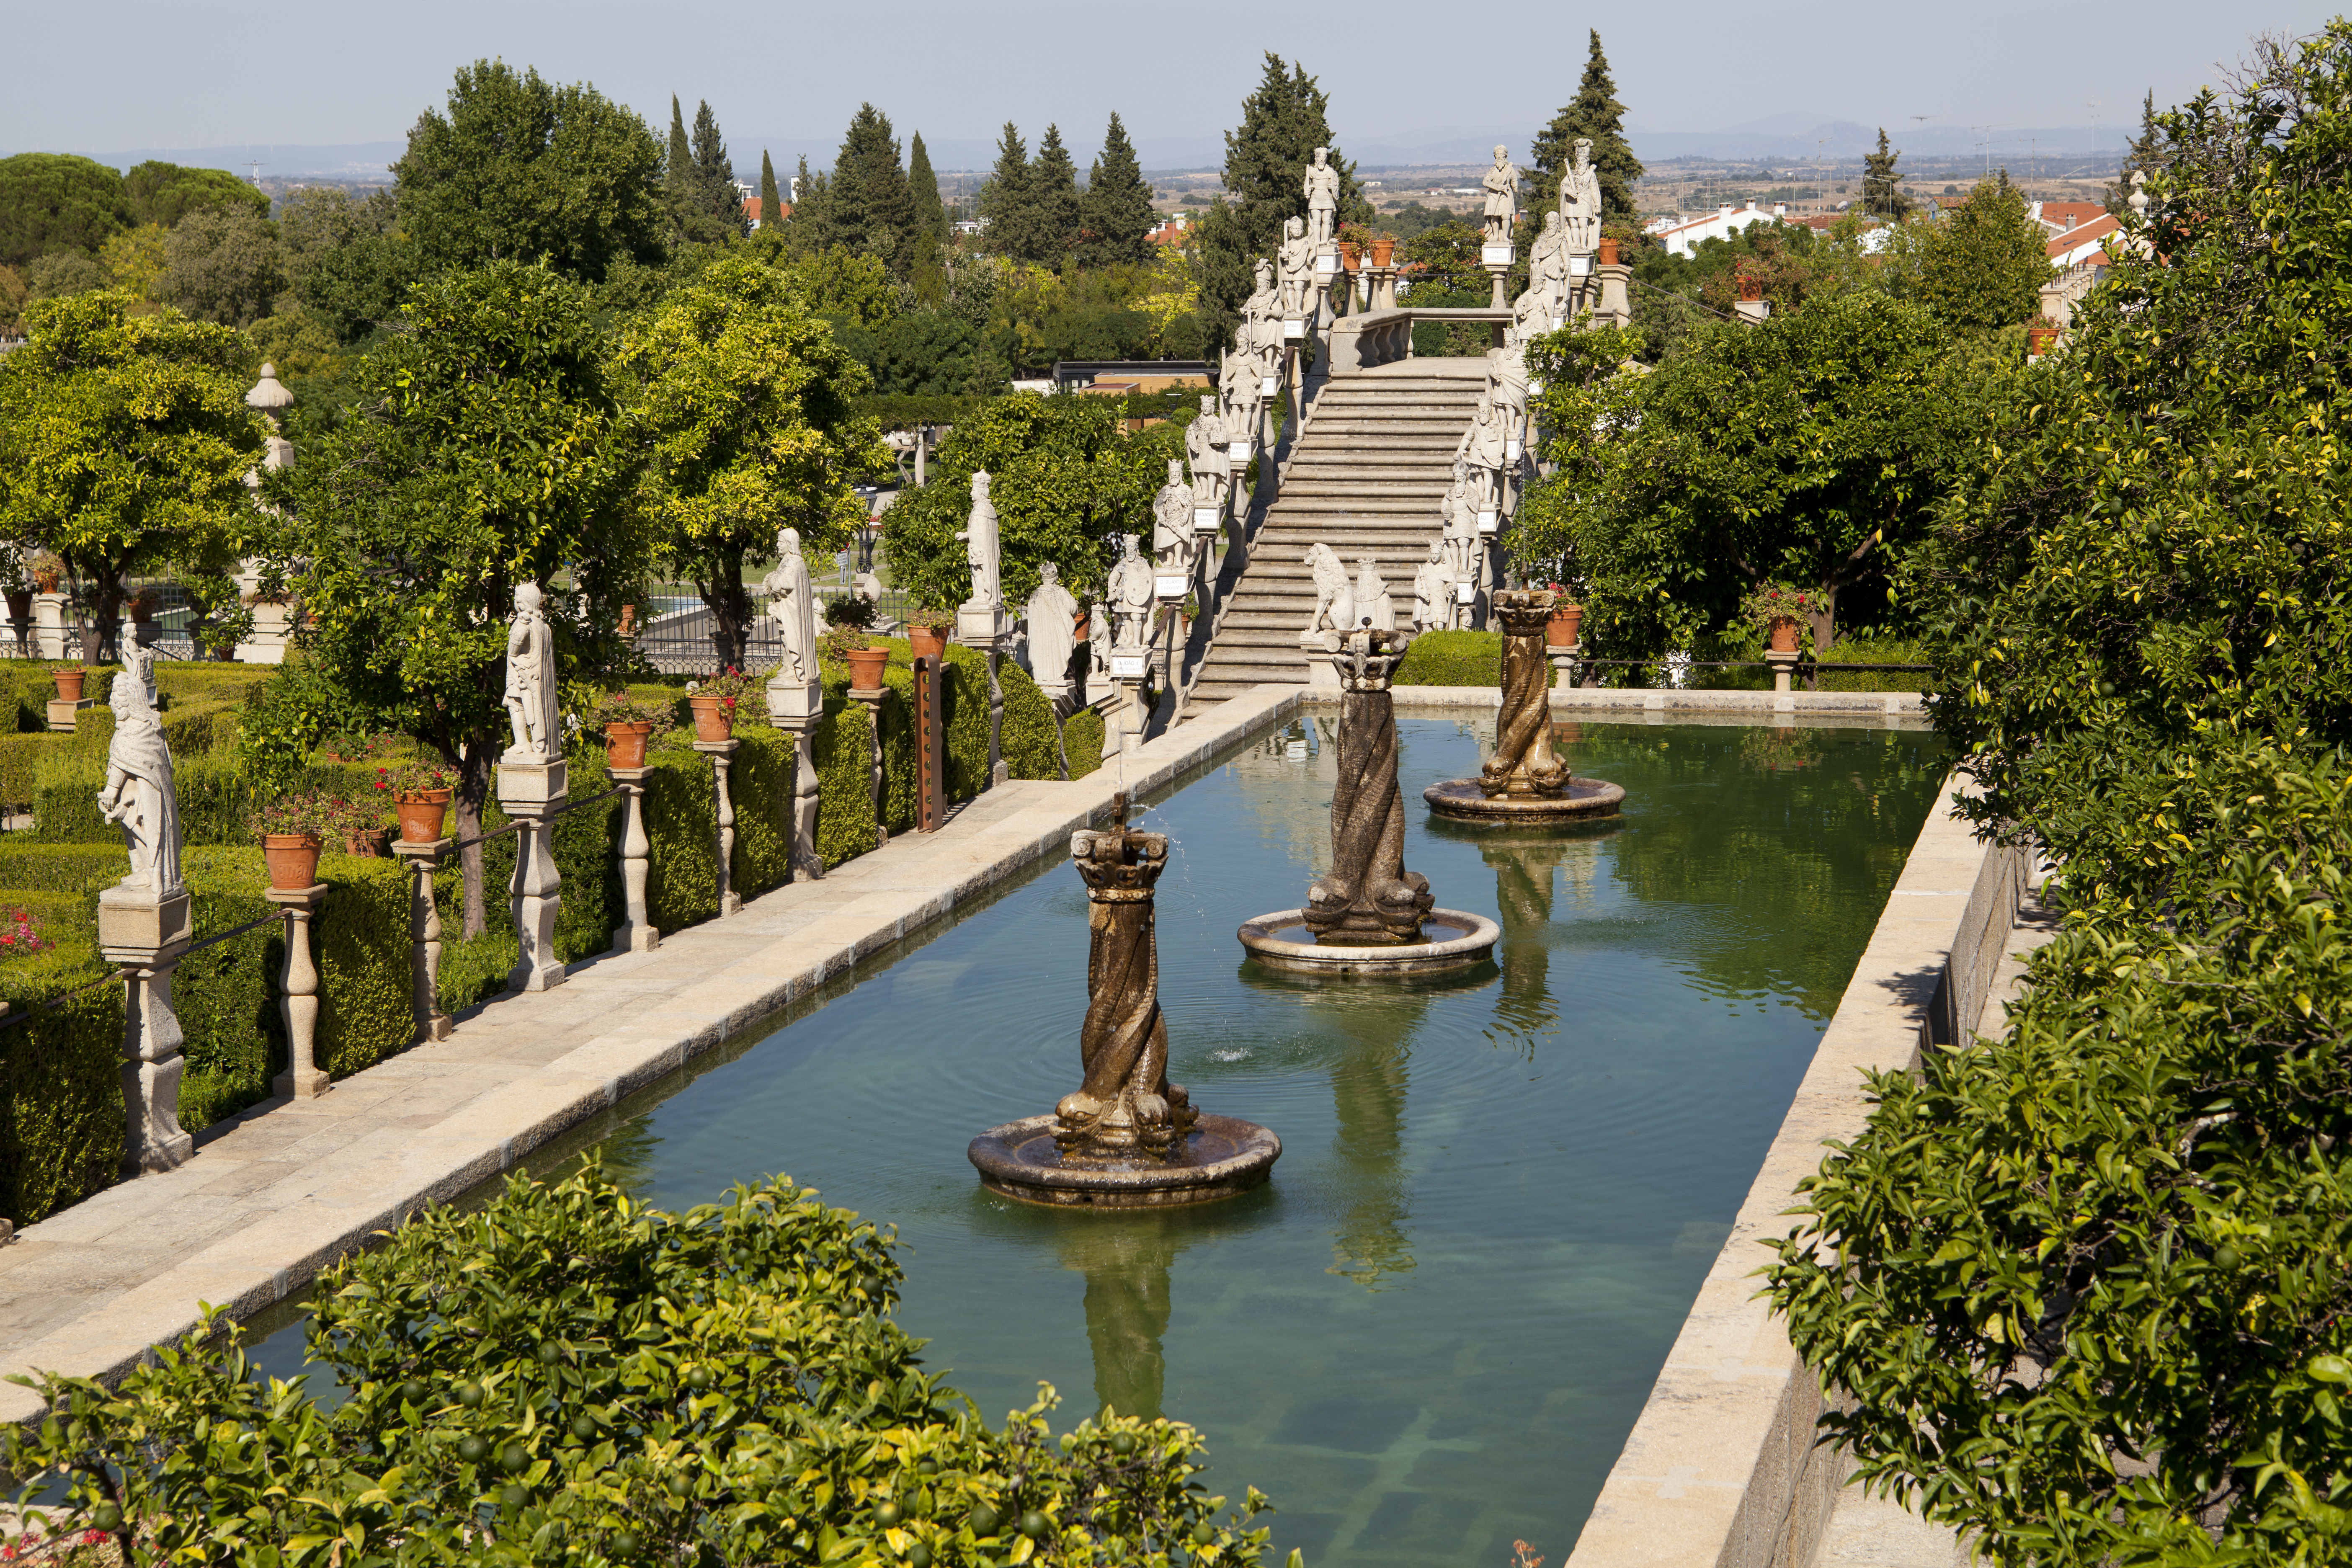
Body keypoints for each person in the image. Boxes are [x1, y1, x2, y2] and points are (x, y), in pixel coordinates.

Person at [97, 667, 181, 893]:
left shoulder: (136, 729)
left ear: (128, 702)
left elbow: (122, 762)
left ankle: (154, 871)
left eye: (116, 701)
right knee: (134, 829)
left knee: (143, 829)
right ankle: (145, 871)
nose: (112, 706)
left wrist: (110, 791)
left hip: (147, 795)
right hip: (138, 793)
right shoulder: (146, 726)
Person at [503, 581, 559, 761]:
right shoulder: (544, 626)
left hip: (521, 673)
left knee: (515, 704)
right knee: (531, 707)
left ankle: (522, 743)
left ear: (520, 602)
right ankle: (536, 743)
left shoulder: (523, 623)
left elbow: (513, 651)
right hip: (536, 676)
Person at [760, 526, 818, 687]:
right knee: (786, 638)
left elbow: (784, 584)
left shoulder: (794, 561)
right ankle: (790, 666)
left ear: (790, 543)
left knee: (791, 639)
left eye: (781, 542)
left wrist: (773, 581)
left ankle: (796, 668)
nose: (778, 545)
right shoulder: (787, 561)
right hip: (784, 609)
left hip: (792, 612)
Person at [957, 471, 1002, 612]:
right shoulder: (982, 508)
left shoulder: (984, 509)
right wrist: (965, 535)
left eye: (973, 490)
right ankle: (979, 595)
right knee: (976, 572)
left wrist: (980, 552)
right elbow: (977, 530)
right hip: (976, 549)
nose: (971, 493)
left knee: (979, 572)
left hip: (981, 551)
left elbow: (984, 534)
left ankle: (982, 596)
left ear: (982, 493)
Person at [1482, 145, 1520, 243]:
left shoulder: (1510, 170)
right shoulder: (1492, 170)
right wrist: (1498, 187)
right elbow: (1485, 182)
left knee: (1506, 216)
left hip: (1506, 195)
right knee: (1495, 216)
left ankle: (1505, 237)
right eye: (1497, 155)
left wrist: (1514, 187)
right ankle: (1495, 236)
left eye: (1501, 154)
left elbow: (1515, 184)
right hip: (1494, 196)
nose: (1499, 157)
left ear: (1505, 156)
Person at [1303, 147, 1341, 245]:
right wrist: (1307, 190)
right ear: (1316, 159)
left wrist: (1332, 187)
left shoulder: (1330, 172)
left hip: (1327, 199)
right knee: (1316, 221)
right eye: (1319, 157)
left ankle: (1326, 241)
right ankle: (1316, 242)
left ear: (1326, 159)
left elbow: (1336, 185)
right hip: (1315, 199)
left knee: (1326, 220)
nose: (1321, 159)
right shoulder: (1311, 171)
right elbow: (1306, 184)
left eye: (1323, 157)